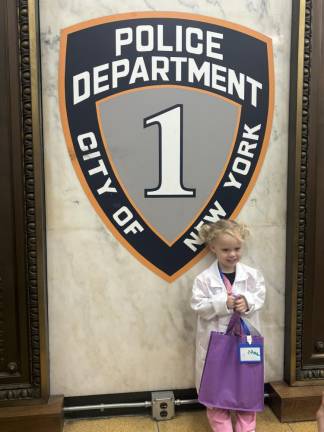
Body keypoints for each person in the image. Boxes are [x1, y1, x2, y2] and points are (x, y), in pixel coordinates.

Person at [191, 219, 266, 432]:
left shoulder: (252, 276)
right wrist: (222, 304)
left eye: (237, 248)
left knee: (247, 393)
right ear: (212, 248)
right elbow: (198, 305)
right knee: (215, 395)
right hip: (216, 346)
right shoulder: (203, 279)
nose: (232, 254)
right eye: (226, 249)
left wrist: (248, 302)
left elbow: (259, 298)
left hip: (245, 344)